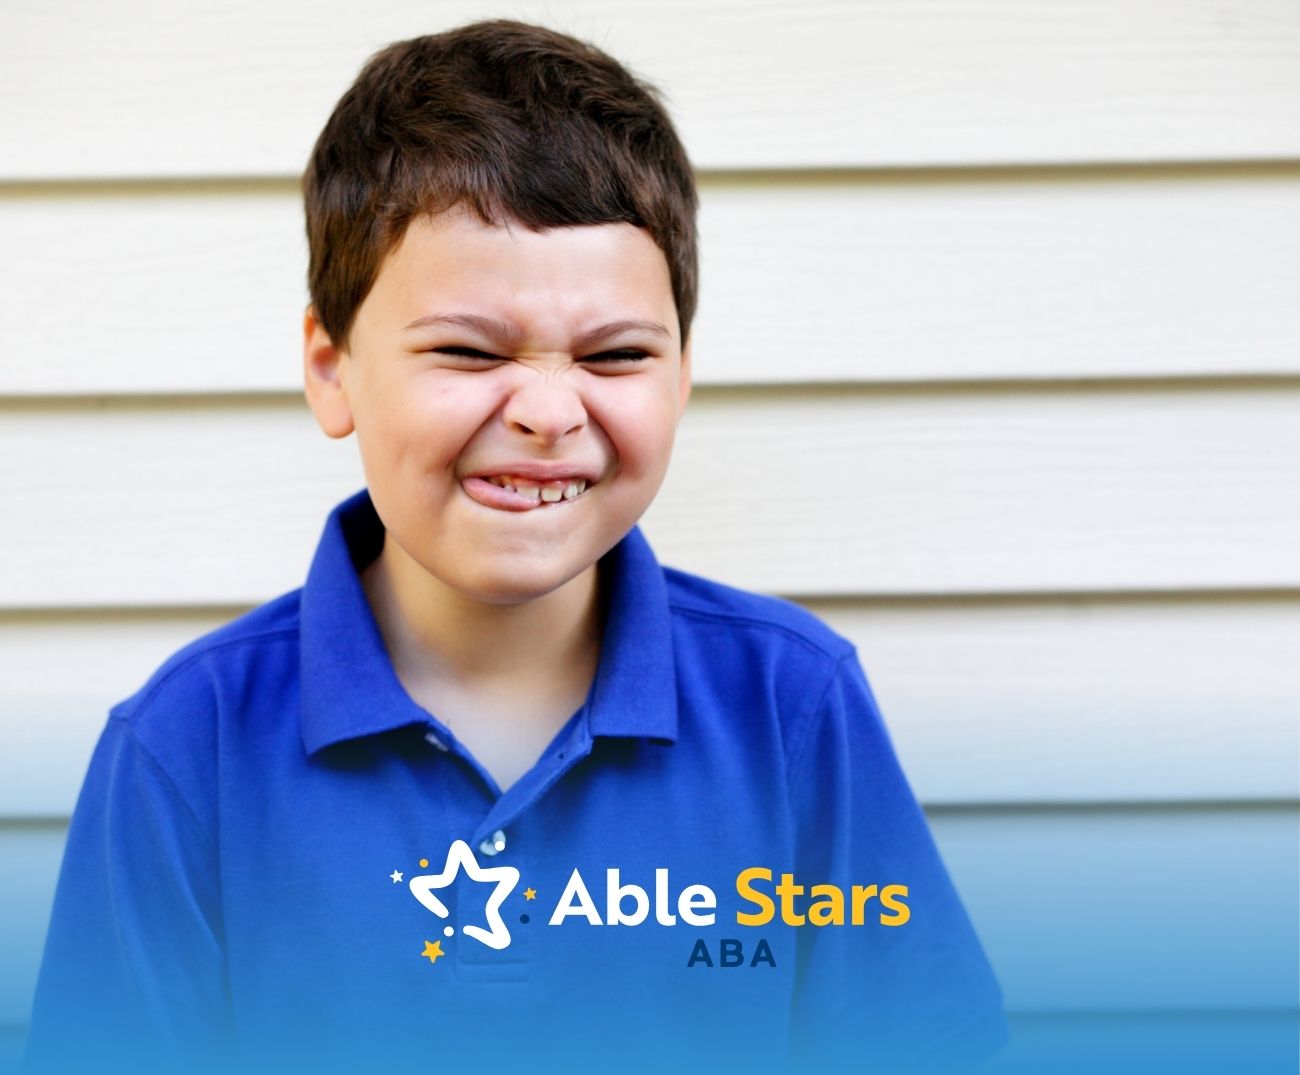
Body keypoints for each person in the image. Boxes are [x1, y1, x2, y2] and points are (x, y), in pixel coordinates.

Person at [24, 19, 1007, 1075]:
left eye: (616, 353)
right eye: (467, 349)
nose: (547, 409)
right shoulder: (186, 749)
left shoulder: (791, 704)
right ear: (331, 366)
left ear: (680, 373)